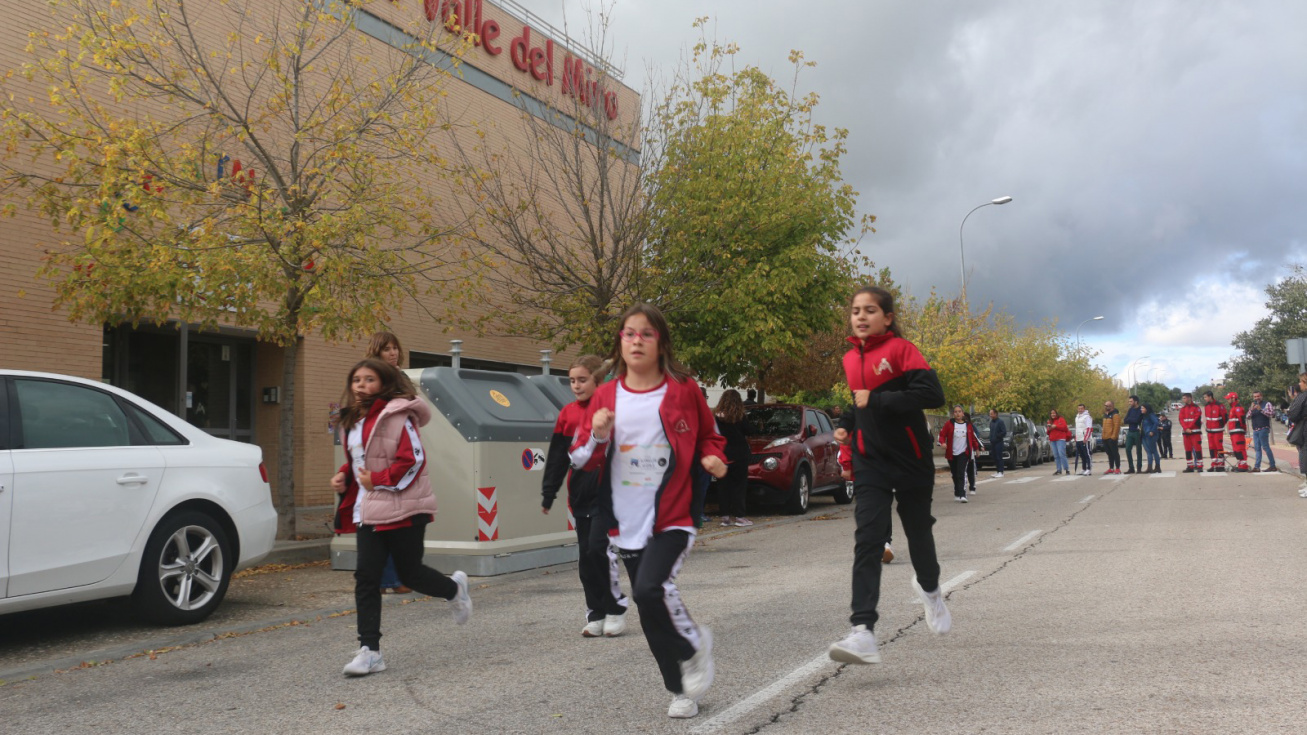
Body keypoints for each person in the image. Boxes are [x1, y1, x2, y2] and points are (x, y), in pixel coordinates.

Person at [569, 303, 727, 719]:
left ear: (661, 343)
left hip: (673, 513)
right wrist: (599, 435)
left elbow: (711, 436)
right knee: (649, 608)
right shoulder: (605, 395)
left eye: (646, 334)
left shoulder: (683, 388)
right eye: (628, 333)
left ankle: (694, 645)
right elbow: (582, 458)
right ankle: (680, 690)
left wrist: (714, 459)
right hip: (624, 518)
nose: (636, 340)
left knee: (650, 590)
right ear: (620, 343)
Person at [829, 285, 950, 669]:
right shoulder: (850, 358)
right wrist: (847, 424)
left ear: (887, 317)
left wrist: (877, 399)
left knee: (918, 533)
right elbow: (858, 401)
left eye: (869, 310)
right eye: (855, 311)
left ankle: (930, 590)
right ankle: (862, 630)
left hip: (911, 459)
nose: (860, 316)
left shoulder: (901, 350)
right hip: (871, 461)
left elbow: (932, 393)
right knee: (868, 538)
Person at [331, 358, 472, 677]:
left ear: (384, 383)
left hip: (405, 507)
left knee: (411, 574)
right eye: (356, 379)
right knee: (367, 577)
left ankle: (454, 590)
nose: (361, 385)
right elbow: (361, 459)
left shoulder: (396, 415)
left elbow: (414, 461)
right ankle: (370, 651)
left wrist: (377, 480)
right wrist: (345, 475)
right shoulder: (352, 420)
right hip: (368, 510)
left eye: (369, 379)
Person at [540, 355, 629, 638]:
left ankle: (614, 610)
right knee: (585, 558)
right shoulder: (567, 414)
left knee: (598, 549)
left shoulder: (613, 410)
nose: (576, 386)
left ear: (598, 381)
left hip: (610, 493)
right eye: (572, 381)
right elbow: (557, 456)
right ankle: (595, 612)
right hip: (580, 495)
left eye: (582, 380)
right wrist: (549, 492)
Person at [364, 331, 413, 595]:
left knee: (398, 519)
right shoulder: (374, 378)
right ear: (377, 352)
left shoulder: (400, 377)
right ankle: (389, 579)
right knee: (386, 521)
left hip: (400, 450)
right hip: (381, 453)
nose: (393, 353)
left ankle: (390, 578)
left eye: (395, 348)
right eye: (387, 349)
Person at [838, 419, 894, 564]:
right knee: (867, 509)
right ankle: (871, 543)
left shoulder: (885, 413)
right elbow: (846, 443)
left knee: (882, 506)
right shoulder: (857, 416)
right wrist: (846, 465)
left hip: (882, 470)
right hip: (863, 471)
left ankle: (884, 544)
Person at [714, 390, 753, 527]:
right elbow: (749, 431)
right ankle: (740, 517)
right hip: (739, 454)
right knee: (739, 486)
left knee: (723, 485)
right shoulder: (740, 416)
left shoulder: (716, 417)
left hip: (723, 454)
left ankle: (725, 516)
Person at [938, 405, 981, 503]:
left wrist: (976, 448)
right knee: (955, 474)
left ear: (963, 413)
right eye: (956, 412)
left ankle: (962, 494)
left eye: (959, 411)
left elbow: (972, 439)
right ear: (953, 414)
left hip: (964, 452)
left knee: (961, 473)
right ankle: (957, 493)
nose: (957, 413)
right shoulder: (949, 424)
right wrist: (943, 442)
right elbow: (942, 435)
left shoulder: (968, 425)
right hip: (952, 453)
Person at [1285, 374, 1307, 497]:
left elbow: (1293, 414)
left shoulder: (1302, 396)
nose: (1299, 384)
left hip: (1305, 428)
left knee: (1305, 453)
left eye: (1301, 382)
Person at [1249, 390, 1278, 472]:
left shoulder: (1267, 404)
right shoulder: (1253, 405)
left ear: (1261, 396)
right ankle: (1257, 467)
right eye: (1255, 397)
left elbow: (1271, 414)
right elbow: (1247, 417)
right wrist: (1251, 409)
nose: (1256, 398)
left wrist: (1261, 409)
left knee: (1265, 447)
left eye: (1258, 396)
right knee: (1257, 448)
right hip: (1255, 429)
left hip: (1263, 428)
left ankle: (1272, 466)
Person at [1178, 393, 1205, 473]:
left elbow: (1196, 418)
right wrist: (1186, 428)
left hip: (1195, 432)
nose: (1183, 400)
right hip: (1186, 433)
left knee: (1197, 450)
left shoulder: (1196, 408)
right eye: (1183, 398)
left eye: (1184, 398)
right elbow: (1181, 419)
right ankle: (1190, 466)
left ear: (1190, 398)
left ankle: (1200, 466)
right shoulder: (1183, 409)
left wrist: (1189, 427)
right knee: (1188, 450)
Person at [1224, 392, 1250, 472]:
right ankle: (1241, 464)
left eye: (1229, 399)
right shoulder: (1233, 408)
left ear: (1233, 398)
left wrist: (1243, 430)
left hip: (1238, 432)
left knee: (1239, 448)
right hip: (1234, 432)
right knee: (1236, 449)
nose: (1227, 400)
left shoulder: (1237, 408)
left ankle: (1243, 465)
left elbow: (1242, 420)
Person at [1203, 391, 1228, 472]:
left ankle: (1221, 465)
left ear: (1210, 396)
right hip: (1210, 431)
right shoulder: (1206, 406)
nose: (1205, 399)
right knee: (1211, 448)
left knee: (1219, 447)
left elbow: (1225, 417)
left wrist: (1220, 425)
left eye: (1206, 397)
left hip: (1218, 430)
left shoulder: (1219, 405)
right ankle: (1214, 464)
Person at [1122, 396, 1143, 474]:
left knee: (1138, 450)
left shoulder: (1140, 409)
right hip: (1130, 431)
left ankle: (1139, 467)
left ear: (1136, 402)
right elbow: (1125, 420)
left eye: (1131, 401)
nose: (1129, 403)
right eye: (1129, 401)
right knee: (1127, 449)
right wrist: (1132, 420)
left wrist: (1131, 420)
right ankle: (1131, 467)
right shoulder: (1130, 410)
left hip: (1137, 432)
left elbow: (1137, 420)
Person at [1046, 408, 1070, 475]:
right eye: (1051, 413)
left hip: (1060, 439)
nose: (1053, 414)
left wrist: (1056, 426)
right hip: (1053, 439)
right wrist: (1049, 428)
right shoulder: (1049, 421)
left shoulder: (1061, 419)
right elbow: (1048, 432)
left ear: (1056, 413)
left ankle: (1066, 469)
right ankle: (1059, 470)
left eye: (1054, 413)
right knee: (1056, 455)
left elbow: (1065, 428)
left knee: (1061, 454)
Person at [1101, 401, 1122, 475]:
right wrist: (1103, 436)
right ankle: (1111, 468)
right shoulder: (1105, 415)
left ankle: (1118, 468)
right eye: (1105, 405)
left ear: (1112, 406)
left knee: (1115, 453)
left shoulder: (1115, 415)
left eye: (1107, 406)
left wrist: (1113, 437)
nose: (1106, 407)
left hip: (1111, 438)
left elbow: (1116, 427)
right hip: (1105, 437)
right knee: (1109, 453)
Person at [1074, 403, 1094, 476]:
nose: (1080, 410)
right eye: (1079, 408)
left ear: (1084, 409)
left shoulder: (1087, 417)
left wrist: (1086, 438)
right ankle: (1084, 468)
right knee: (1082, 455)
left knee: (1087, 454)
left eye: (1081, 408)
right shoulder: (1077, 417)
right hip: (1078, 438)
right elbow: (1077, 428)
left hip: (1084, 439)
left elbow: (1089, 428)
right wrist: (1076, 437)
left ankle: (1089, 469)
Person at [1141, 404, 1161, 473]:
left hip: (1150, 435)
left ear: (1147, 408)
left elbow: (1156, 422)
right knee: (1148, 452)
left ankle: (1157, 467)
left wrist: (1152, 431)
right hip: (1144, 435)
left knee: (1154, 451)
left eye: (1143, 408)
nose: (1141, 409)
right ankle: (1149, 467)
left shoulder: (1151, 415)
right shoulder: (1144, 416)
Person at [988, 408, 1007, 478]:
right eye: (990, 414)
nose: (990, 415)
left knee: (999, 457)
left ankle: (1001, 472)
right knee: (995, 457)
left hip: (998, 442)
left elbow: (1004, 432)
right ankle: (997, 471)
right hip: (993, 442)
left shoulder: (1000, 422)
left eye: (991, 414)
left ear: (995, 414)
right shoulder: (991, 422)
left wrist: (997, 436)